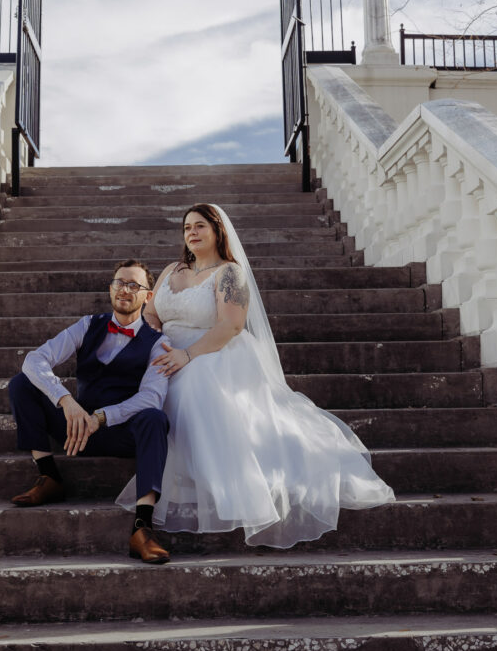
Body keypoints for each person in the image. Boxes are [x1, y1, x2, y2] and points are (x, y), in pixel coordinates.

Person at [116, 204, 395, 548]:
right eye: (187, 226)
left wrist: (187, 355)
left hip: (212, 351)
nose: (192, 232)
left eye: (200, 226)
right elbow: (152, 312)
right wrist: (158, 340)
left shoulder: (230, 273)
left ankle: (215, 485)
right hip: (168, 352)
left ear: (217, 231)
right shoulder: (172, 270)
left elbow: (231, 325)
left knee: (191, 389)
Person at [8, 258, 172, 564]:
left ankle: (142, 528)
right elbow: (35, 360)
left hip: (120, 432)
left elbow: (151, 397)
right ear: (111, 288)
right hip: (76, 427)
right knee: (22, 383)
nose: (125, 289)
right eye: (119, 282)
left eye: (134, 284)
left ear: (148, 296)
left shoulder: (158, 343)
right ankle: (49, 476)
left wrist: (103, 416)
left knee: (155, 418)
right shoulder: (88, 324)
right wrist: (66, 400)